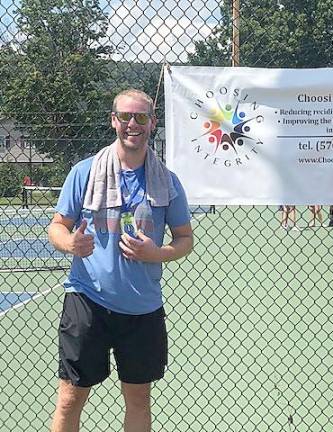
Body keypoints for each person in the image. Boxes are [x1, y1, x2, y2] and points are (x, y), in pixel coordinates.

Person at [47, 89, 194, 432]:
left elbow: (185, 239)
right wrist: (71, 243)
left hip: (142, 309)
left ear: (152, 123)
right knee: (70, 399)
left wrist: (155, 253)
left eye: (141, 117)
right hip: (87, 301)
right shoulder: (83, 173)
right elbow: (57, 227)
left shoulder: (167, 183)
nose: (133, 124)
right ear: (113, 121)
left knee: (139, 400)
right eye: (126, 116)